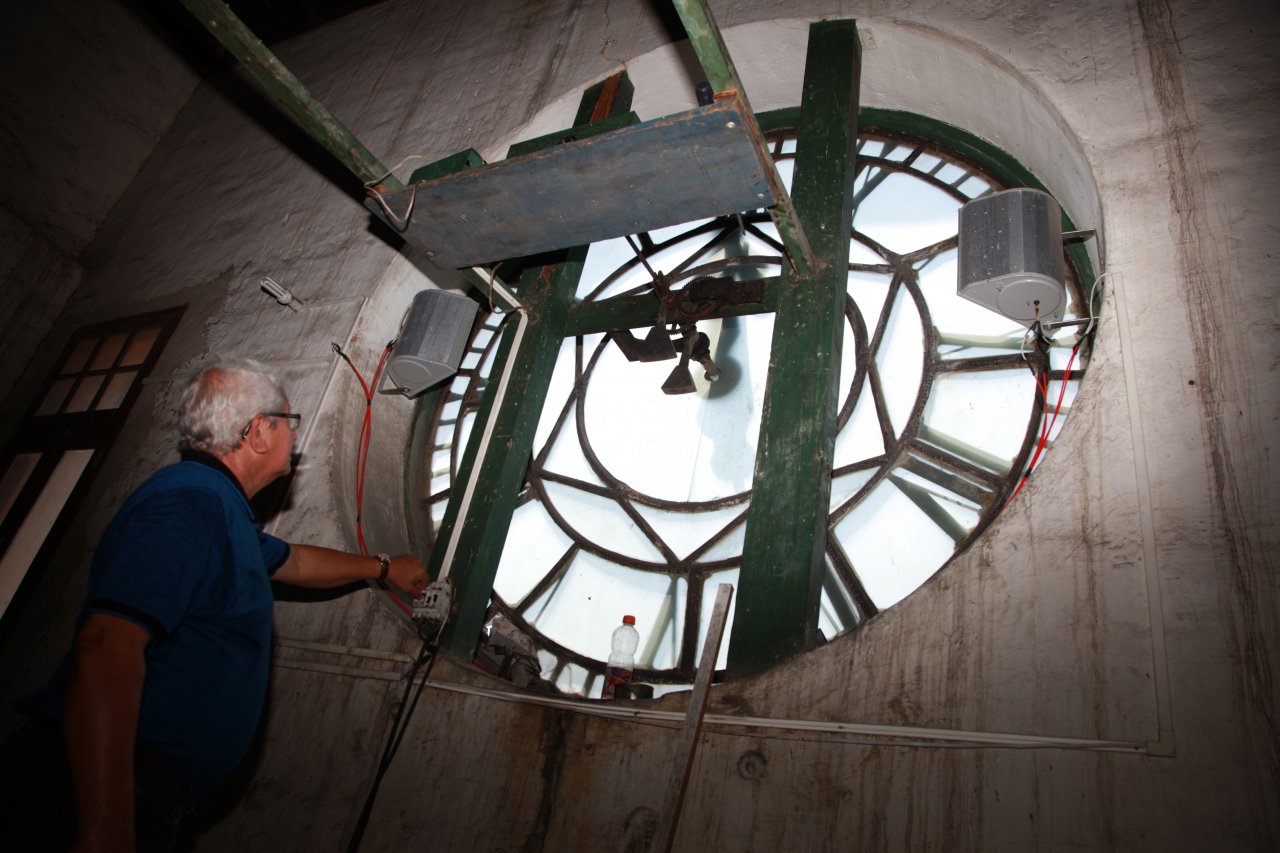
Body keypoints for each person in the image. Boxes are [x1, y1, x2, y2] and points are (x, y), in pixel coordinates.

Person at [3, 359, 429, 852]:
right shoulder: (189, 504)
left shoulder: (219, 513)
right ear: (258, 433)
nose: (296, 437)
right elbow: (107, 643)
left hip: (143, 792)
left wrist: (383, 567)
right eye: (288, 422)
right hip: (91, 798)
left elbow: (294, 563)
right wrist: (105, 827)